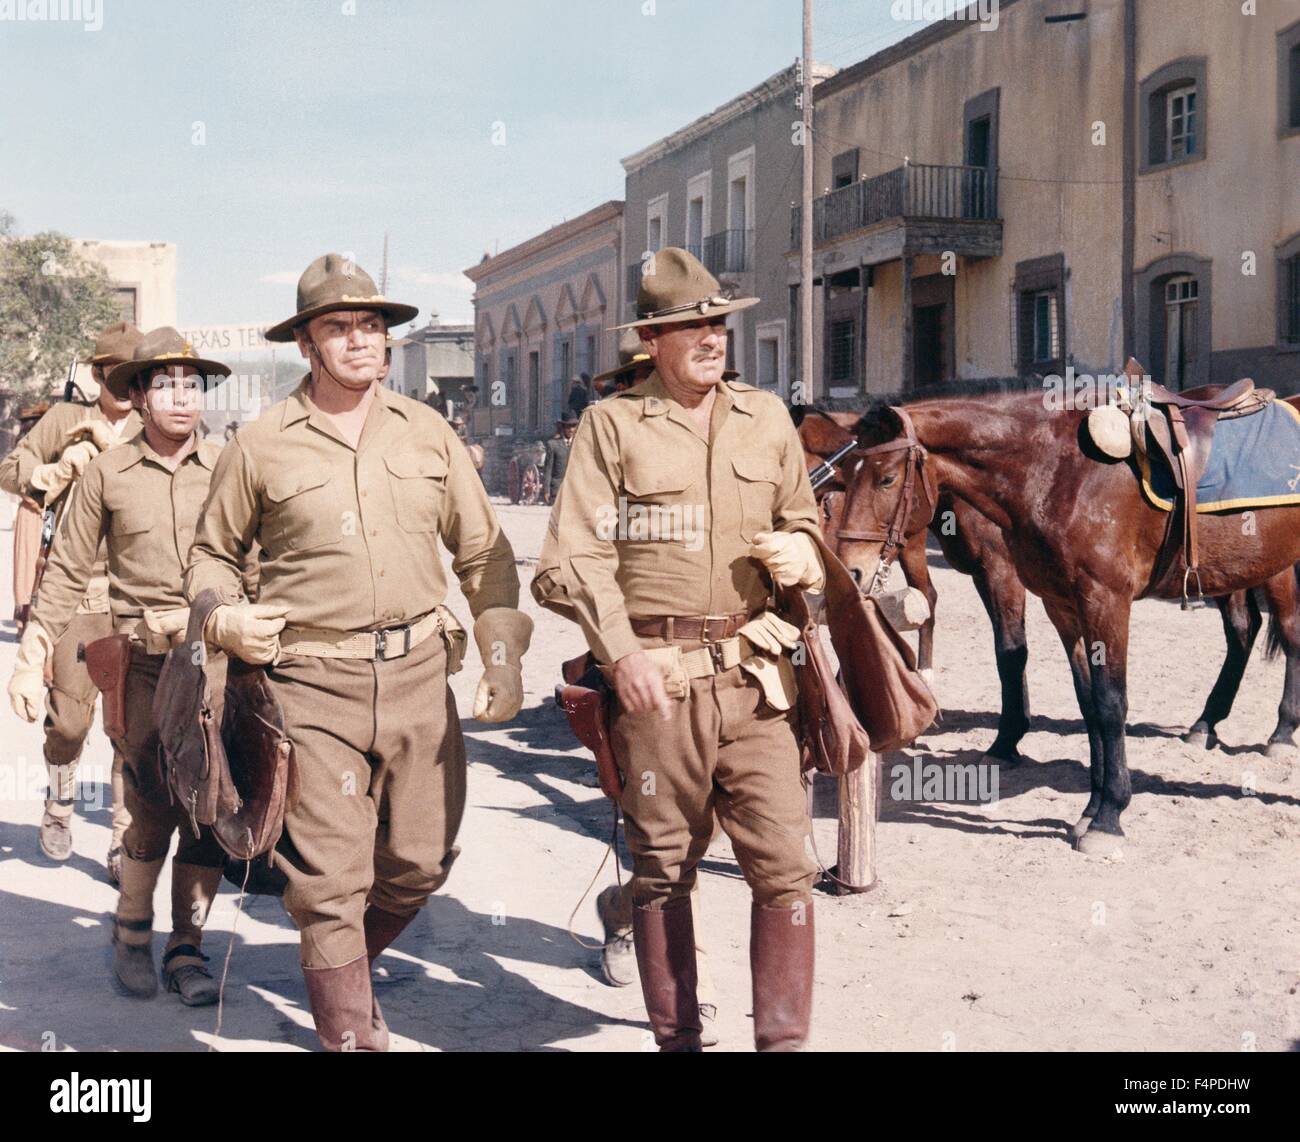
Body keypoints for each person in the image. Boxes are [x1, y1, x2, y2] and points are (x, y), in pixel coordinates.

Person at [184, 253, 533, 1051]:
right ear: (305, 344)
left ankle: (343, 967)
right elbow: (208, 556)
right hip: (310, 685)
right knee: (330, 885)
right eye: (337, 328)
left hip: (417, 680)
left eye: (371, 327)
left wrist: (503, 651)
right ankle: (349, 1033)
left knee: (418, 861)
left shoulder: (429, 432)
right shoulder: (262, 444)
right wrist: (223, 618)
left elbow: (484, 555)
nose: (359, 342)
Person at [532, 248, 825, 1052]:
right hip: (657, 684)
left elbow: (804, 516)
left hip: (756, 681)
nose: (709, 336)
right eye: (688, 325)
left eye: (717, 322)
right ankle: (680, 1042)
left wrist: (804, 548)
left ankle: (782, 1045)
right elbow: (573, 559)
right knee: (664, 869)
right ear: (651, 340)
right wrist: (620, 653)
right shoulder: (613, 425)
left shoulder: (765, 418)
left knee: (785, 867)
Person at [8, 328, 242, 1004]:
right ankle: (132, 936)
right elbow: (67, 572)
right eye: (164, 384)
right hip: (144, 667)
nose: (179, 397)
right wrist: (31, 658)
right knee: (149, 807)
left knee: (210, 811)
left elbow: (263, 562)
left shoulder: (231, 467)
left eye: (190, 385)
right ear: (137, 396)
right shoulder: (105, 474)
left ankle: (188, 950)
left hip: (217, 666)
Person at [0, 322, 143, 873]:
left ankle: (124, 835)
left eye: (137, 377)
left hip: (134, 592)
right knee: (69, 721)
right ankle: (60, 802)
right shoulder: (64, 420)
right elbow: (11, 472)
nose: (126, 387)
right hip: (74, 589)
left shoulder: (154, 426)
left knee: (130, 725)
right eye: (115, 375)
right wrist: (55, 469)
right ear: (97, 373)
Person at [541, 412, 577, 505]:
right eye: (568, 427)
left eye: (573, 426)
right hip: (557, 491)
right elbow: (548, 469)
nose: (571, 430)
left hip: (576, 491)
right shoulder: (553, 445)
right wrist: (546, 490)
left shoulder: (580, 445)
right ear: (563, 428)